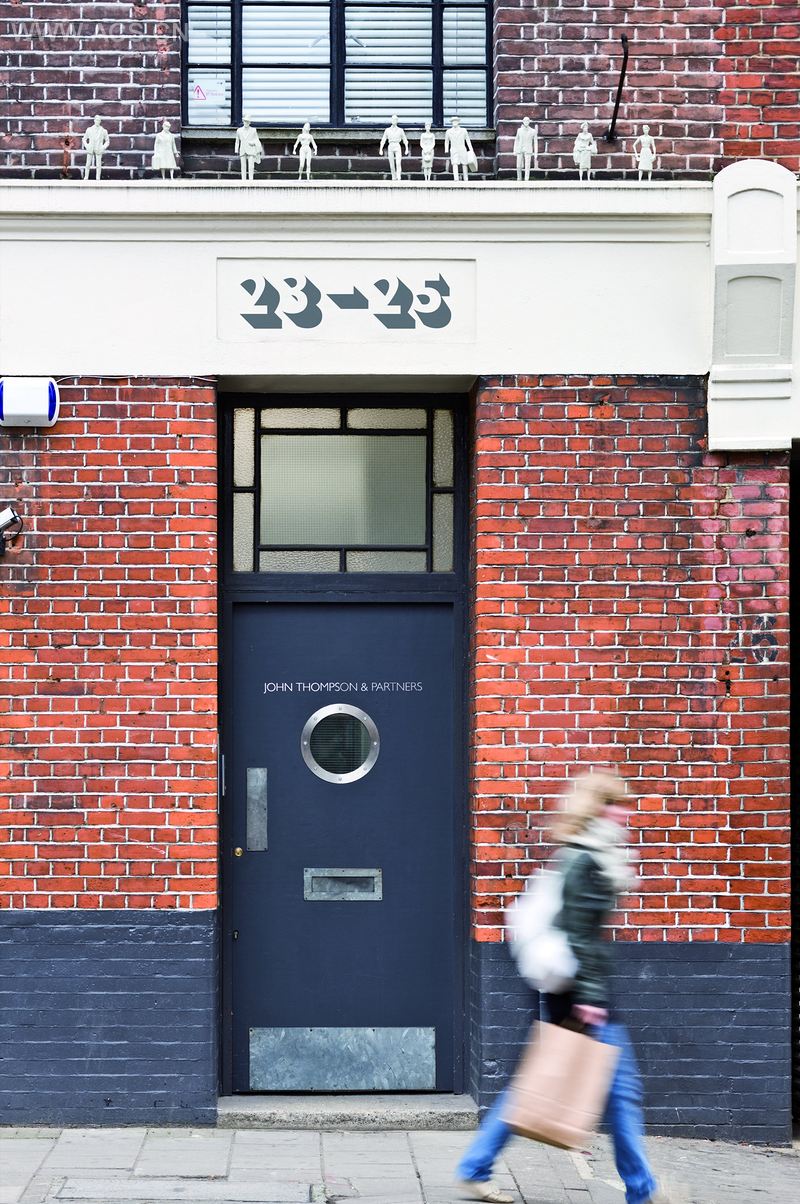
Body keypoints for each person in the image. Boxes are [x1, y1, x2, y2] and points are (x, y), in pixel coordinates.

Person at [455, 772, 679, 1204]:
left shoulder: (588, 854)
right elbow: (581, 935)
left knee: (543, 1086)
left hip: (571, 989)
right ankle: (641, 1190)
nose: (626, 813)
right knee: (619, 1093)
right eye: (619, 804)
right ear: (600, 808)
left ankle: (475, 1167)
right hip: (583, 994)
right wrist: (591, 998)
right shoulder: (587, 859)